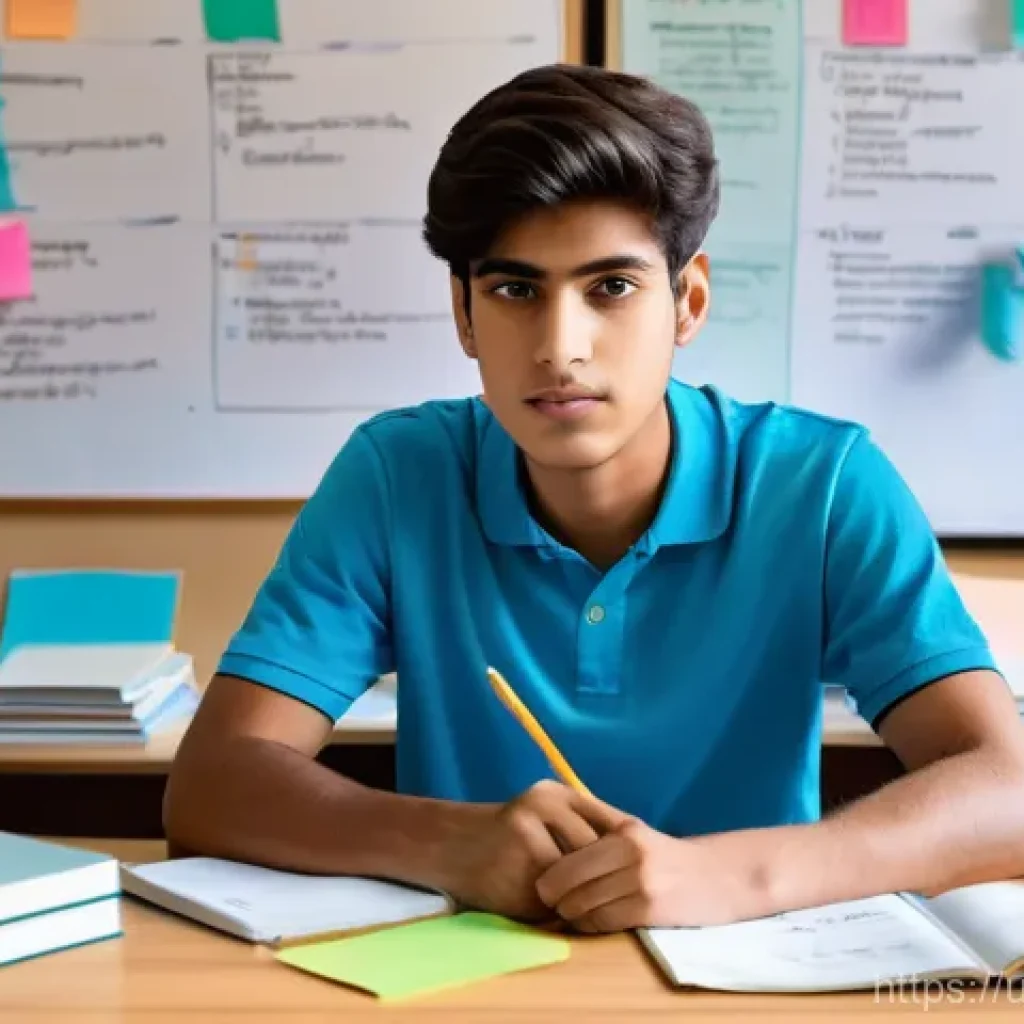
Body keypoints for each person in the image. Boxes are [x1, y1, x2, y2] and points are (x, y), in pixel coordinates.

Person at [164, 64, 1024, 933]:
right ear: (464, 314)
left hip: (750, 976)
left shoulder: (823, 482)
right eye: (514, 291)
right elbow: (212, 784)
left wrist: (731, 877)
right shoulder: (399, 473)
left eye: (610, 288)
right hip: (470, 982)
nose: (560, 347)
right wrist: (442, 840)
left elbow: (1007, 791)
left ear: (686, 302)